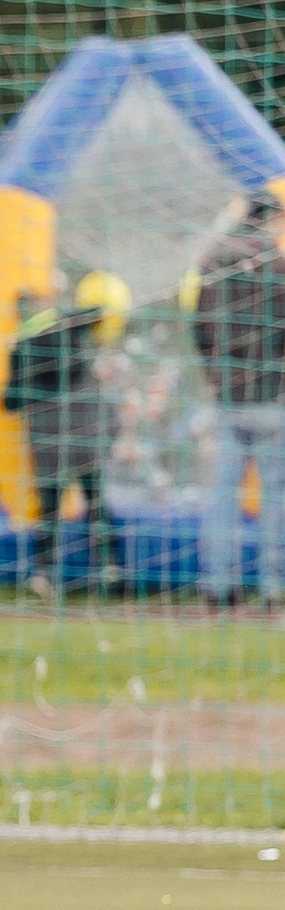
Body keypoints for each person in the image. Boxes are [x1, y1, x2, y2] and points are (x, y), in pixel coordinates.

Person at [192, 190, 285, 608]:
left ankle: (218, 585)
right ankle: (274, 585)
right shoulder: (279, 264)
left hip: (227, 396)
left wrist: (215, 375)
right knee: (277, 494)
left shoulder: (211, 262)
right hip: (270, 396)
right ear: (270, 219)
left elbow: (200, 329)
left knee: (222, 493)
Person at [3, 270, 120, 600]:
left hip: (48, 437)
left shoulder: (20, 345)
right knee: (95, 498)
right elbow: (99, 312)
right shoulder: (65, 322)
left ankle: (45, 573)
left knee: (50, 507)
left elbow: (9, 400)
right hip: (85, 426)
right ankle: (108, 567)